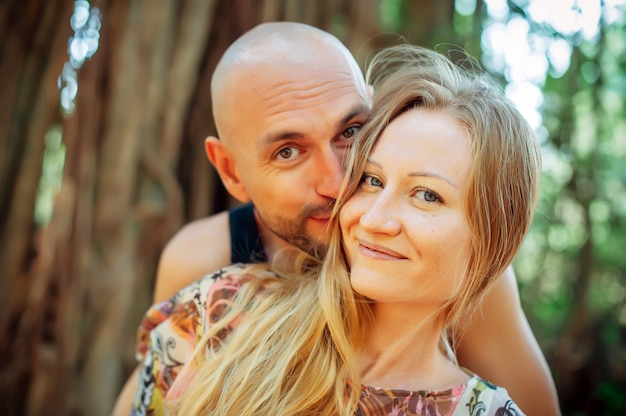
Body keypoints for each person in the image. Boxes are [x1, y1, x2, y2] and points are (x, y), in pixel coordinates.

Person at [113, 22, 559, 415]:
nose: (338, 180)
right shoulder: (210, 279)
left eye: (350, 132)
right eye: (288, 152)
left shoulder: (459, 273)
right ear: (230, 171)